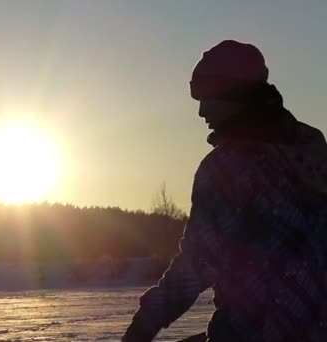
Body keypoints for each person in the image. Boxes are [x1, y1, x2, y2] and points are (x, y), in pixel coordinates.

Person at [122, 40, 327, 342]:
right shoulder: (311, 149)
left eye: (206, 98)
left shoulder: (227, 167)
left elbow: (198, 263)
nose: (202, 111)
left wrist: (141, 328)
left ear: (233, 95)